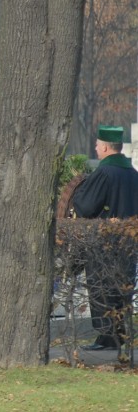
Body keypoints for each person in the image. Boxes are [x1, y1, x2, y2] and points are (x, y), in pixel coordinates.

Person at [71, 125, 138, 351]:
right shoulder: (132, 173)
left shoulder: (104, 172)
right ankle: (121, 334)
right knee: (122, 288)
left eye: (98, 144)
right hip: (128, 243)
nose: (96, 148)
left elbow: (86, 205)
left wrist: (77, 193)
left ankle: (106, 337)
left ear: (107, 147)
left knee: (102, 288)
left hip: (104, 243)